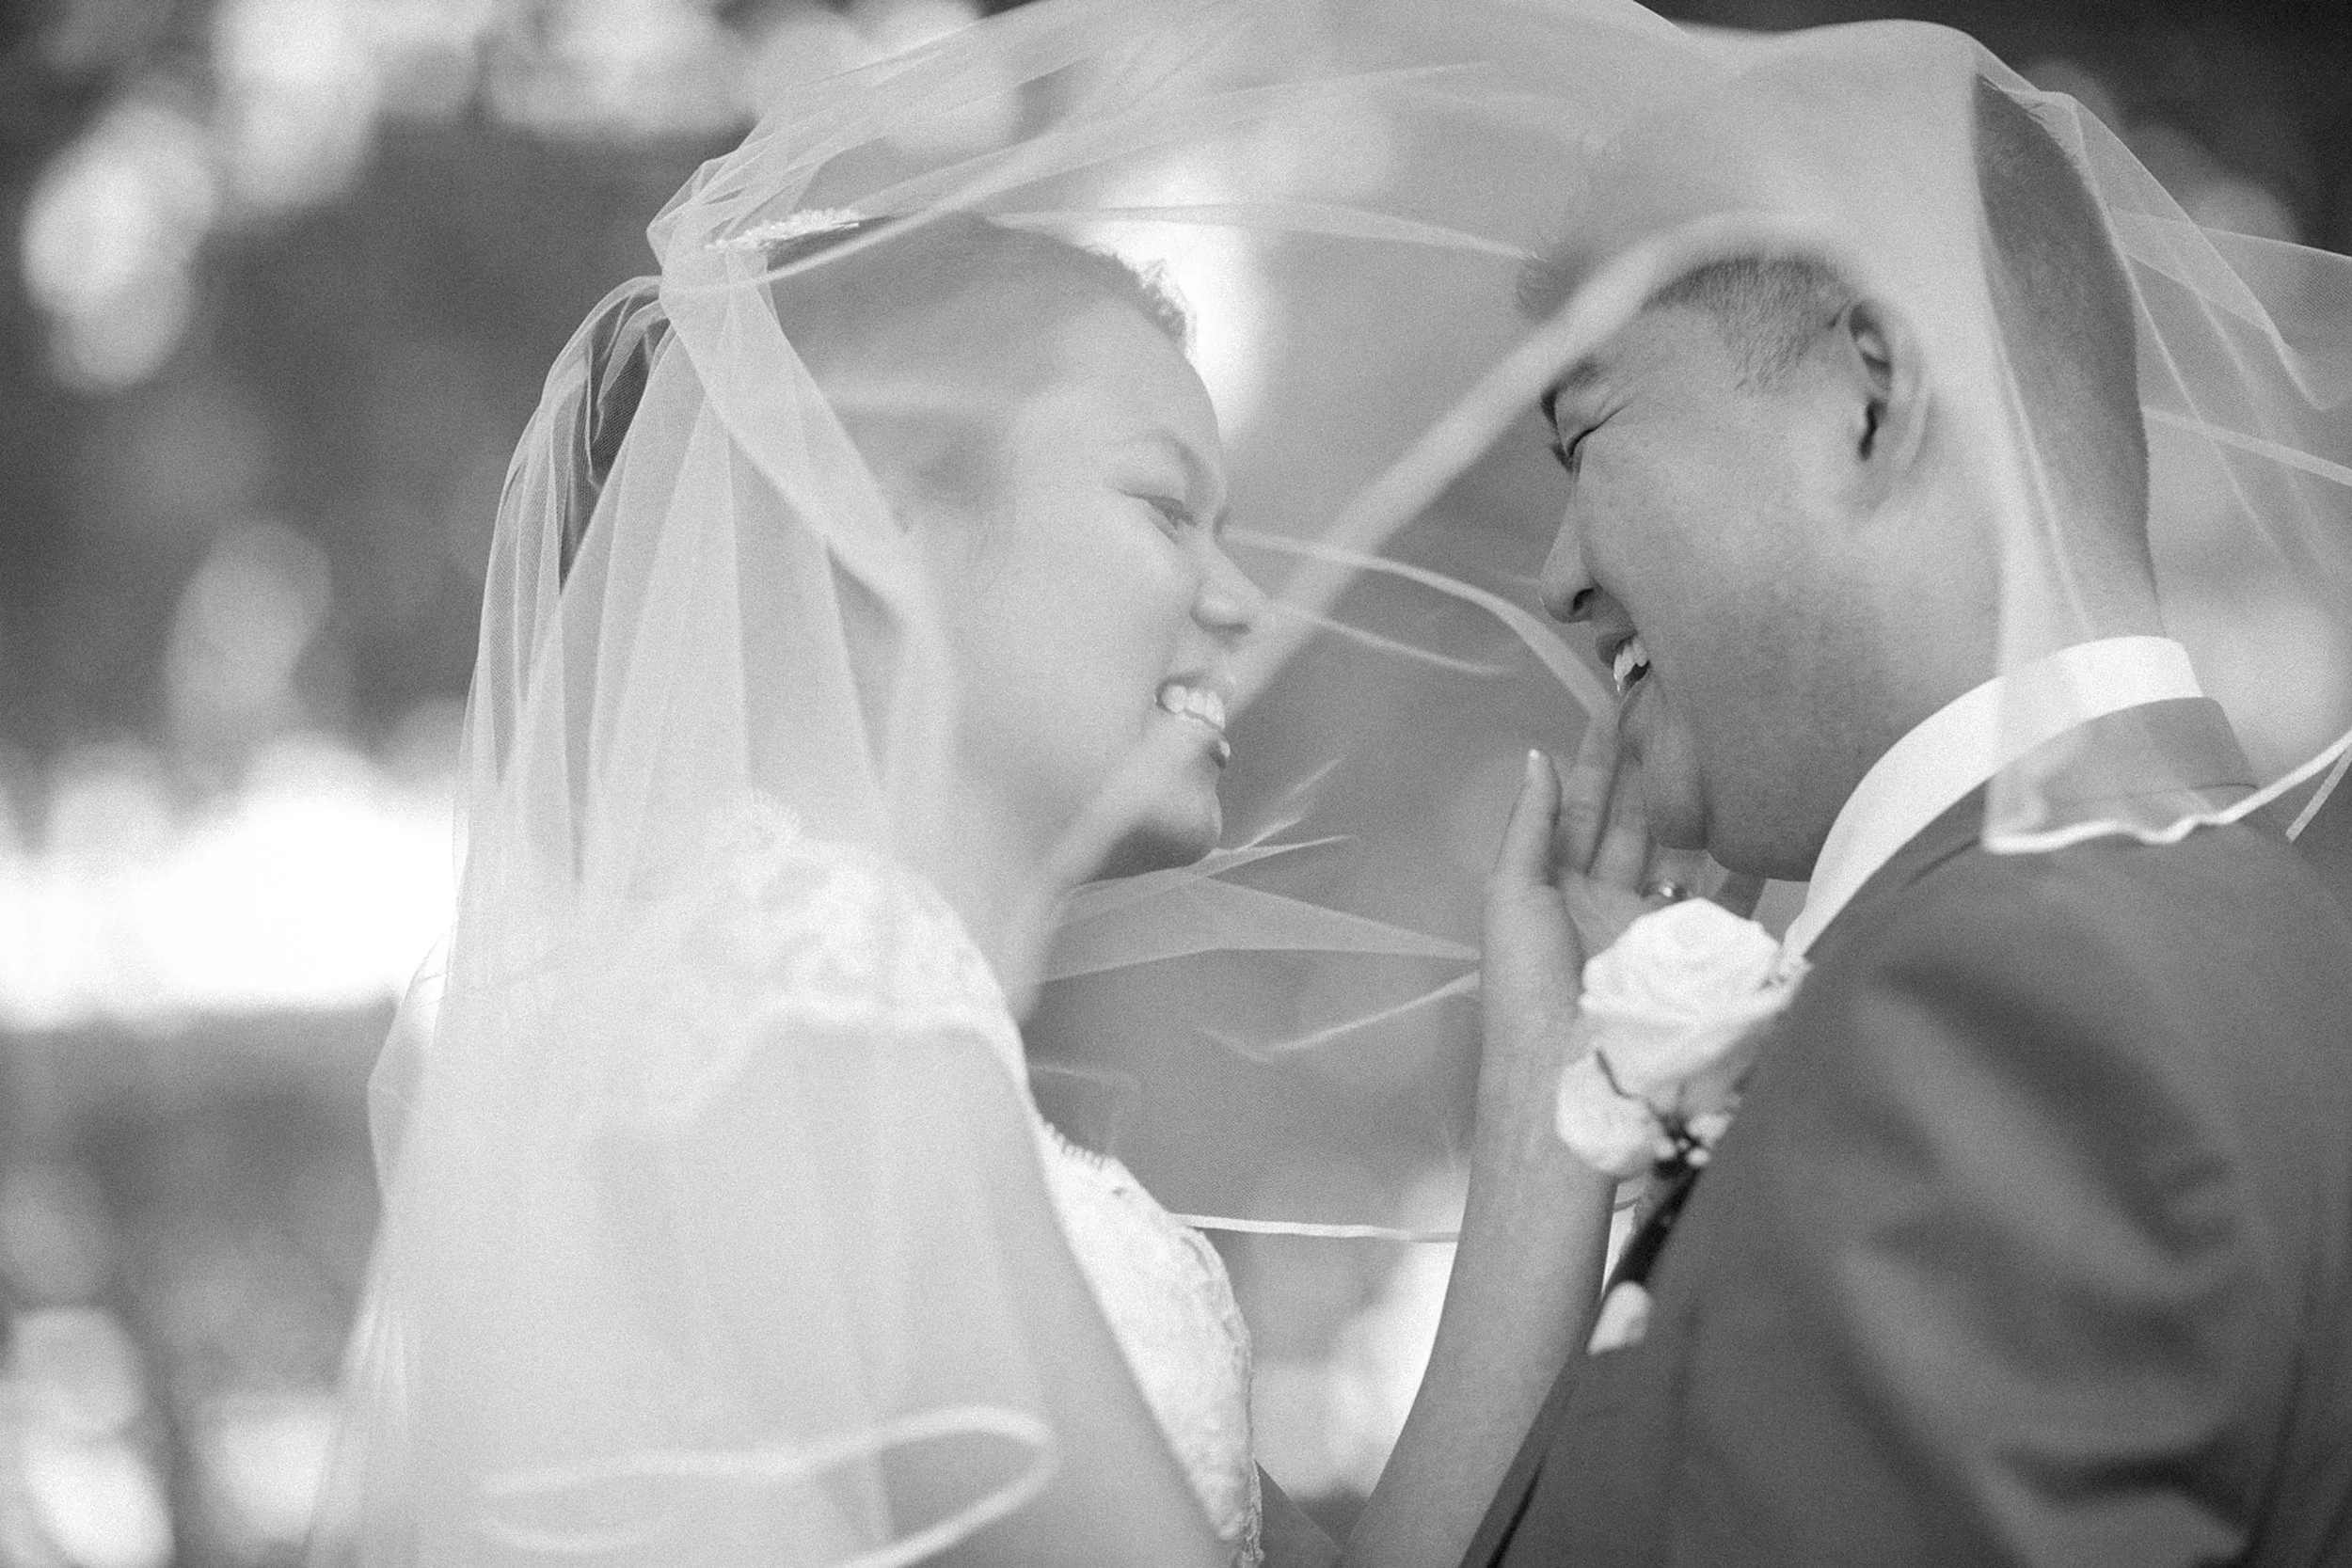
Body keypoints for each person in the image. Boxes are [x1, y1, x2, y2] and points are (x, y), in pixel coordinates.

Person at [312, 4, 1640, 1560]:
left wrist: (1555, 1090)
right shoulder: (795, 1009)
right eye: (1166, 505)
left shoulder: (808, 1015)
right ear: (883, 518)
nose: (1241, 603)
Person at [1447, 18, 2352, 1568]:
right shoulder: (2231, 930)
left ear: (1869, 391)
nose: (1561, 575)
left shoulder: (2010, 1007)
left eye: (1586, 435)